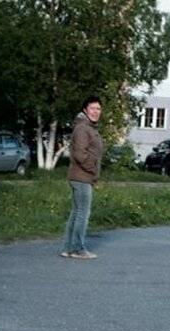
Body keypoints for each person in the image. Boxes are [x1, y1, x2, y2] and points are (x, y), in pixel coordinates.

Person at [61, 97, 103, 260]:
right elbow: (80, 154)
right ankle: (78, 249)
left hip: (81, 176)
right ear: (85, 110)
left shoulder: (88, 128)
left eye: (98, 108)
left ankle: (68, 248)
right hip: (82, 176)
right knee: (82, 214)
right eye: (92, 108)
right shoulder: (83, 129)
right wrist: (93, 169)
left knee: (76, 212)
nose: (95, 112)